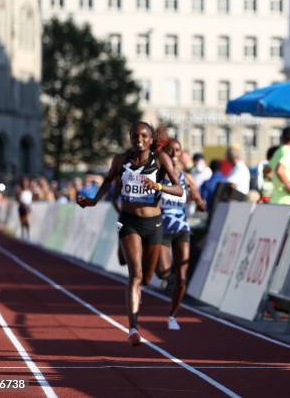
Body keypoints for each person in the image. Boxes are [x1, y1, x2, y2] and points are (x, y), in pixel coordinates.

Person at [77, 122, 182, 346]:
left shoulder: (160, 159)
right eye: (135, 136)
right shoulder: (120, 160)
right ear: (130, 137)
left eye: (144, 136)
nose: (139, 140)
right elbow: (108, 182)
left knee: (146, 277)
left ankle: (129, 262)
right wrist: (93, 201)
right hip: (128, 221)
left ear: (152, 139)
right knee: (135, 275)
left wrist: (159, 188)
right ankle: (133, 327)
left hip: (153, 223)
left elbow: (179, 189)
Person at [159, 139, 206, 330]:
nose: (173, 154)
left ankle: (172, 315)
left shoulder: (186, 178)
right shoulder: (157, 177)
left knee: (182, 275)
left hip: (181, 228)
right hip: (161, 229)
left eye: (177, 151)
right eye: (170, 151)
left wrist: (200, 202)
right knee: (163, 272)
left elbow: (200, 202)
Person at [269, 127, 290, 206]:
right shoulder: (288, 152)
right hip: (286, 201)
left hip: (276, 199)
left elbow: (268, 171)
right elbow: (279, 170)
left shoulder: (278, 152)